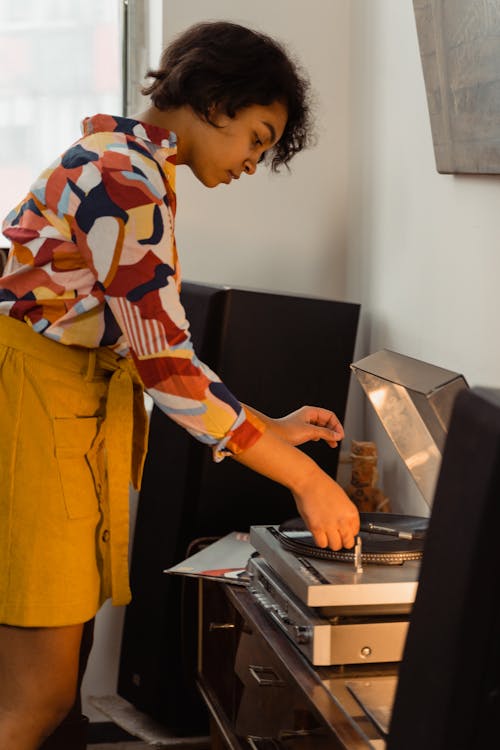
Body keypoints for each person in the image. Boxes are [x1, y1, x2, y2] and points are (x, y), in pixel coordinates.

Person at [0, 20, 359, 750]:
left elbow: (153, 350)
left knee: (51, 688)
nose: (254, 162)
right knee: (35, 700)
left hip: (56, 403)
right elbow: (169, 371)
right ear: (215, 98)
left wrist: (269, 424)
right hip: (31, 411)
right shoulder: (126, 180)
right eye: (257, 137)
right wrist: (307, 480)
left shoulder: (130, 163)